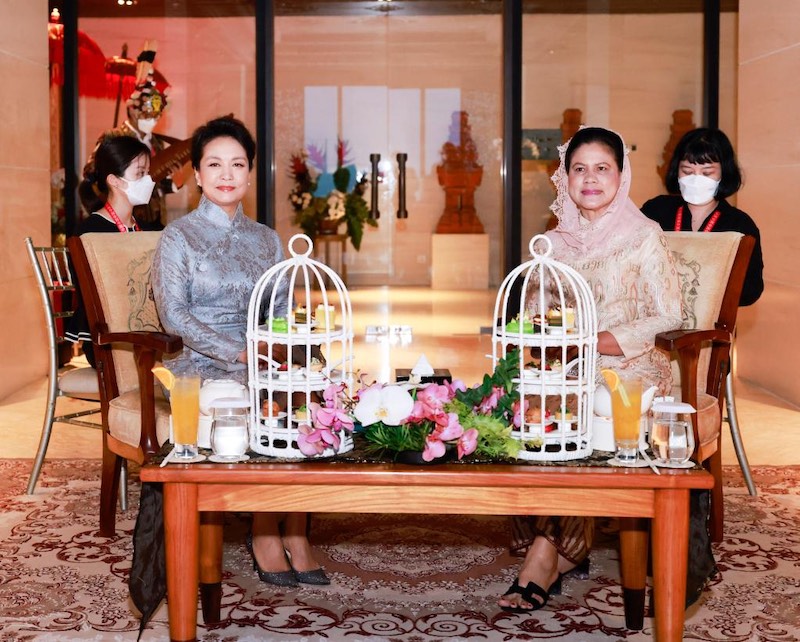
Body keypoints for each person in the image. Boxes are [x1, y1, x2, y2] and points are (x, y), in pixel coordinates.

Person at [498, 127, 683, 613]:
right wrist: (545, 346)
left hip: (629, 364)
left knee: (581, 410)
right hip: (566, 362)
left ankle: (547, 553)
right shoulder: (551, 244)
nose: (590, 178)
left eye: (603, 168)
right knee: (524, 405)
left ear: (621, 176)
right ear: (564, 177)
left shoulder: (643, 236)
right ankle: (560, 545)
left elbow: (670, 315)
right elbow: (535, 313)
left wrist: (598, 341)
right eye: (579, 168)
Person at [151, 116, 329, 587]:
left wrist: (281, 348)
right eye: (214, 164)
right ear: (197, 173)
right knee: (262, 405)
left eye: (237, 164)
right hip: (198, 361)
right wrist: (241, 353)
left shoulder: (267, 238)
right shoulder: (179, 237)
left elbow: (281, 308)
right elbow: (174, 316)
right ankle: (266, 529)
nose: (226, 174)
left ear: (250, 174)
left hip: (261, 355)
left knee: (312, 401)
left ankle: (297, 529)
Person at [641, 127, 764, 306]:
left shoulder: (740, 225)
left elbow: (751, 290)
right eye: (687, 171)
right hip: (655, 321)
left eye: (707, 173)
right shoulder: (656, 210)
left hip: (709, 327)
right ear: (677, 171)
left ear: (724, 173)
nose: (696, 179)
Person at [65, 135, 154, 368]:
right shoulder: (90, 232)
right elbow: (92, 296)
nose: (149, 180)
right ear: (115, 180)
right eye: (140, 174)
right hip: (107, 340)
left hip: (143, 331)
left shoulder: (144, 227)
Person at [82, 48, 185, 231]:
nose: (152, 121)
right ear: (132, 110)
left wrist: (173, 182)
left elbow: (155, 185)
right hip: (115, 216)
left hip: (150, 218)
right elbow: (92, 176)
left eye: (155, 117)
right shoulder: (113, 137)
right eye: (147, 116)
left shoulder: (157, 143)